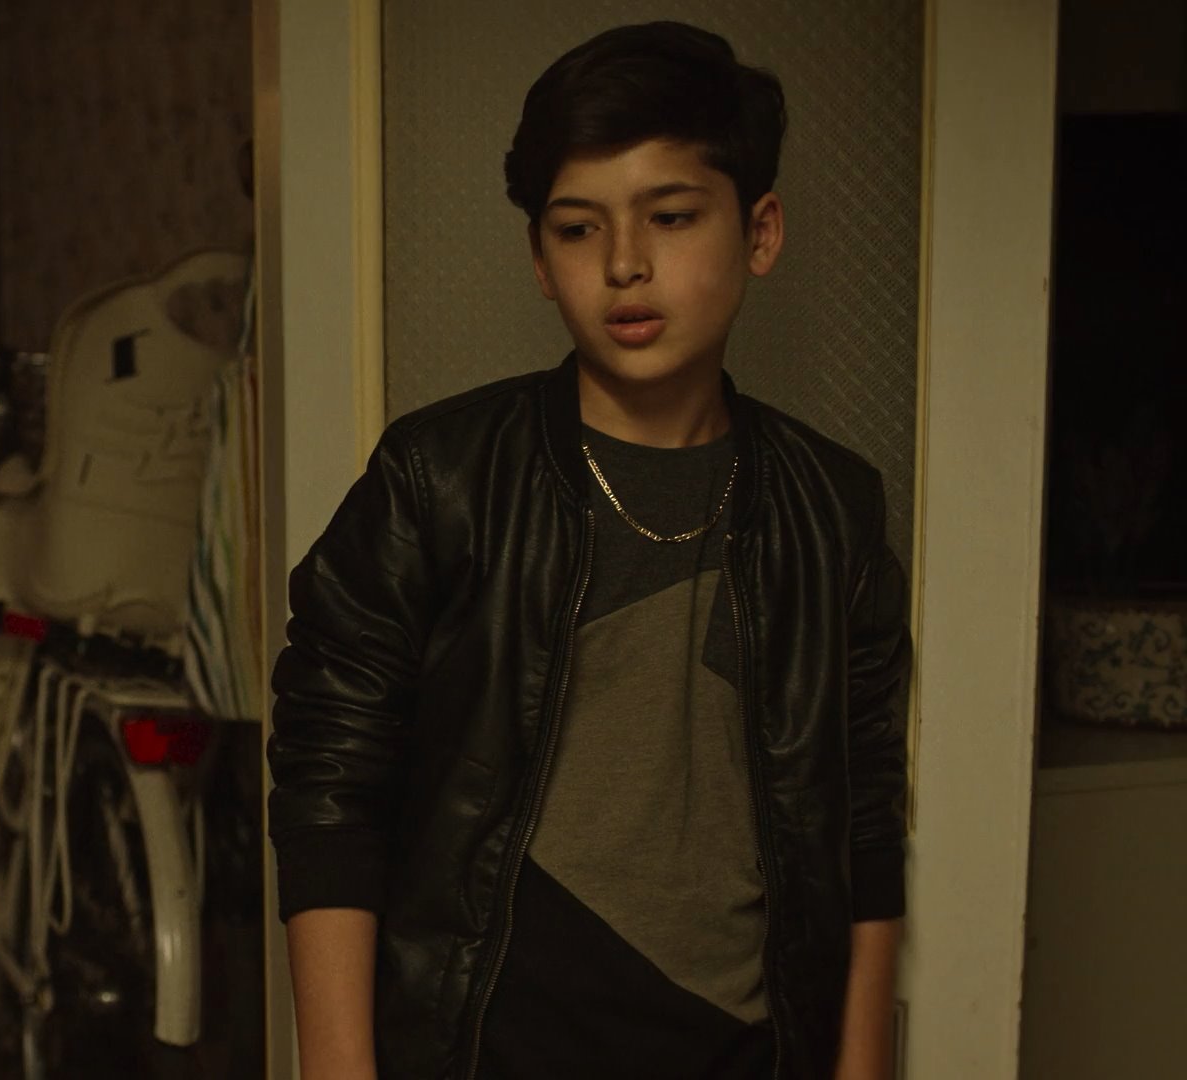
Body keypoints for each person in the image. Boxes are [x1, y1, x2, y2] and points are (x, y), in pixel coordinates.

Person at [267, 21, 910, 1080]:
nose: (623, 264)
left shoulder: (832, 508)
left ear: (760, 231)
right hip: (488, 1052)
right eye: (577, 229)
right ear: (539, 259)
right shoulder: (439, 480)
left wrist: (863, 1066)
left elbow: (866, 818)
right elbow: (330, 787)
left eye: (671, 217)